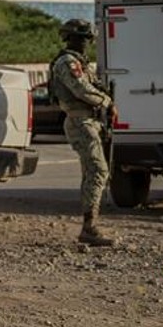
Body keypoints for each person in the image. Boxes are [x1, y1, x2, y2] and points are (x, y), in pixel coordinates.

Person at [49, 18, 115, 247]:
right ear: (72, 38)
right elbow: (81, 89)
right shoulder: (68, 62)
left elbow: (93, 85)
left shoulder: (80, 62)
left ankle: (90, 225)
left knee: (92, 171)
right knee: (98, 170)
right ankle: (89, 227)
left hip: (89, 121)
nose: (87, 43)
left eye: (88, 39)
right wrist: (106, 101)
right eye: (84, 39)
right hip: (80, 121)